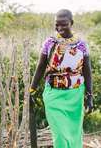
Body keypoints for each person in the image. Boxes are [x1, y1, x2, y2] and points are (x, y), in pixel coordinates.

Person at [30, 9, 93, 148]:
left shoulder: (82, 45)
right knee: (60, 136)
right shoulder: (50, 43)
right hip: (53, 95)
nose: (59, 28)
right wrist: (32, 89)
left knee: (74, 135)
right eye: (57, 24)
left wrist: (89, 95)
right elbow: (40, 67)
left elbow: (87, 71)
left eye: (63, 24)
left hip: (75, 96)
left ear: (71, 23)